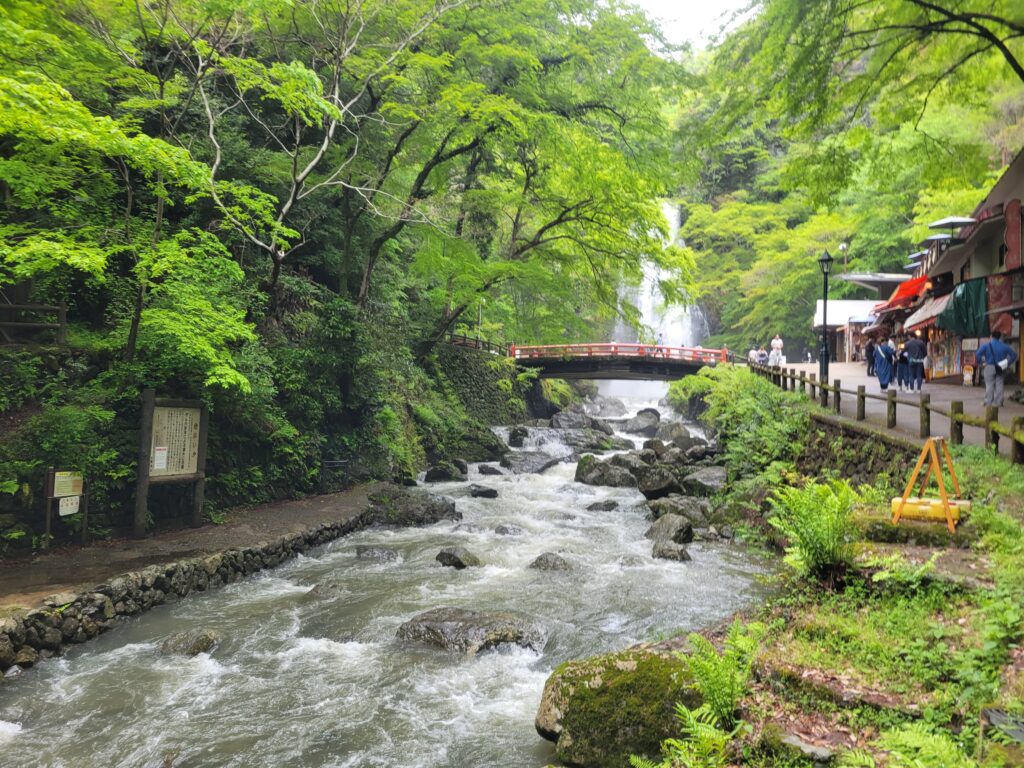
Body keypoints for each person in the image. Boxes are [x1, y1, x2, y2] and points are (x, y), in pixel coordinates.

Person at [976, 330, 1018, 407]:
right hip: (1001, 366)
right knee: (1000, 383)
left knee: (989, 384)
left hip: (989, 366)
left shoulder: (986, 345)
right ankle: (998, 402)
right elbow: (1014, 355)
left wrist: (982, 362)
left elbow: (978, 354)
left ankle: (988, 401)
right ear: (999, 337)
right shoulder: (1005, 346)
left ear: (991, 336)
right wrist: (1007, 363)